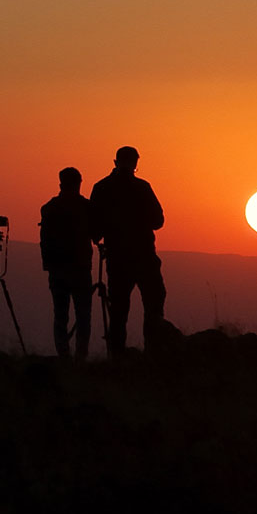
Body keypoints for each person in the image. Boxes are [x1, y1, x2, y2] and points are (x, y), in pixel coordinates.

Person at [89, 146, 166, 358]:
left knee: (119, 309)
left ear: (115, 162)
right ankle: (154, 353)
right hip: (144, 255)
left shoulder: (102, 188)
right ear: (135, 164)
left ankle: (117, 356)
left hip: (118, 258)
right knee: (153, 303)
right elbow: (158, 221)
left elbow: (94, 228)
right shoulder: (142, 187)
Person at [39, 167, 96, 359]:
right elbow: (96, 234)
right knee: (83, 316)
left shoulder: (49, 208)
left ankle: (63, 355)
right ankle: (81, 357)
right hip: (80, 269)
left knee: (60, 315)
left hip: (57, 269)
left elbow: (45, 239)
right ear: (79, 183)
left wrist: (48, 264)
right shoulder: (86, 207)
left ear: (61, 183)